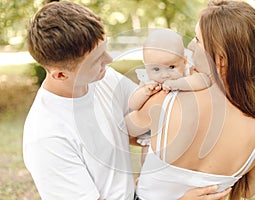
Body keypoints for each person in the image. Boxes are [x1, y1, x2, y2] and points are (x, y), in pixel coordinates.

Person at [23, 1, 231, 199]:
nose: (110, 61)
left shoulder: (102, 79)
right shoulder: (47, 137)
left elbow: (151, 123)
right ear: (60, 75)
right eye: (97, 60)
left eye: (104, 51)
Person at [125, 0, 255, 200]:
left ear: (220, 59)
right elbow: (245, 192)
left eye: (197, 40)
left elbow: (122, 134)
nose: (189, 45)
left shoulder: (165, 100)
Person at [129, 29, 211, 164]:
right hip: (154, 130)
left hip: (179, 127)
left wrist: (177, 84)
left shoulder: (187, 72)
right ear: (146, 66)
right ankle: (146, 177)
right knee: (148, 157)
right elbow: (133, 105)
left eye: (171, 67)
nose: (164, 74)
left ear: (184, 61)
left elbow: (204, 81)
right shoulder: (147, 80)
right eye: (156, 69)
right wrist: (145, 92)